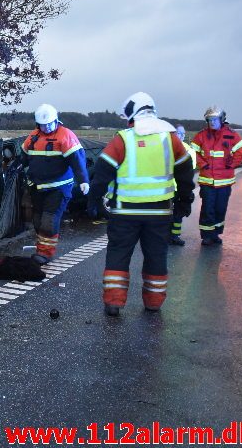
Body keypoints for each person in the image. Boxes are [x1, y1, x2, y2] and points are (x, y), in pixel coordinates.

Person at [87, 92, 195, 316]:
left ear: (132, 114)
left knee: (118, 254)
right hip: (160, 212)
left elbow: (102, 170)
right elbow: (185, 170)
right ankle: (154, 302)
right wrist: (185, 200)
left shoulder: (123, 138)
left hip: (125, 212)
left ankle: (114, 303)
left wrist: (94, 199)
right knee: (156, 256)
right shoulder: (170, 138)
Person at [21, 104, 89, 265]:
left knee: (49, 220)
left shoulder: (66, 136)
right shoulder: (33, 137)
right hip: (37, 187)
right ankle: (41, 248)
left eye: (49, 124)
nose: (46, 127)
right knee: (37, 220)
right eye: (42, 125)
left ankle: (45, 253)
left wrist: (84, 181)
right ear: (37, 124)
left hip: (59, 187)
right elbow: (23, 158)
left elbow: (78, 162)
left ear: (56, 120)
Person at [190, 107, 242, 245]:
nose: (212, 122)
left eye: (214, 119)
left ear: (222, 120)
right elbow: (193, 152)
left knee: (220, 208)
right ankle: (207, 236)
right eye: (209, 120)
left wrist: (232, 164)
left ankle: (216, 233)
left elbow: (241, 150)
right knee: (207, 209)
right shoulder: (201, 135)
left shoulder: (232, 135)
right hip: (207, 181)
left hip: (225, 181)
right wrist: (202, 164)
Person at [169, 125, 197, 245]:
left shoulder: (189, 150)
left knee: (179, 213)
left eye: (183, 134)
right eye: (179, 133)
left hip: (180, 188)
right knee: (164, 214)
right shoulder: (166, 149)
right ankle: (163, 236)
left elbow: (191, 168)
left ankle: (175, 236)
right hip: (167, 188)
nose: (181, 135)